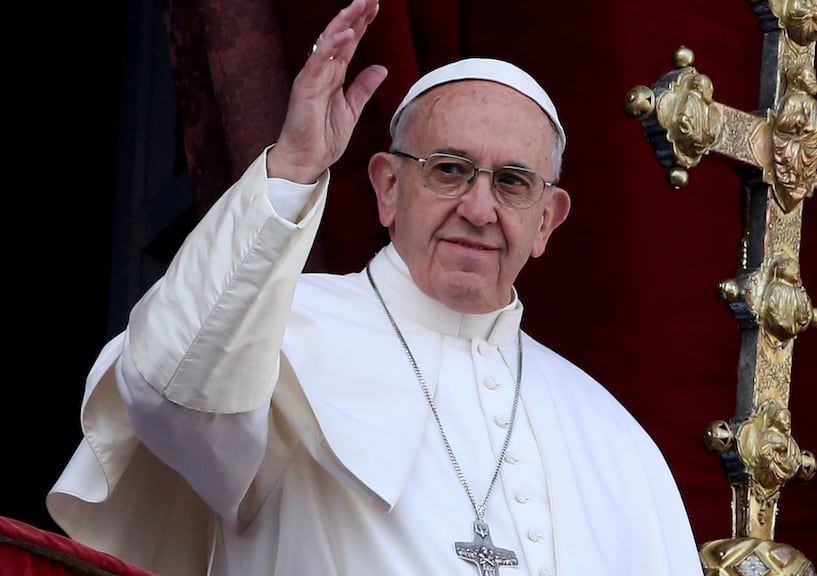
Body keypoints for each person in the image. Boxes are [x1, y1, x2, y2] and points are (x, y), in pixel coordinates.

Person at [47, 0, 703, 574]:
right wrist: (292, 169)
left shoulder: (616, 440)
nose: (478, 208)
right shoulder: (276, 336)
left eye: (512, 183)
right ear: (389, 187)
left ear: (546, 222)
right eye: (449, 169)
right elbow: (166, 390)